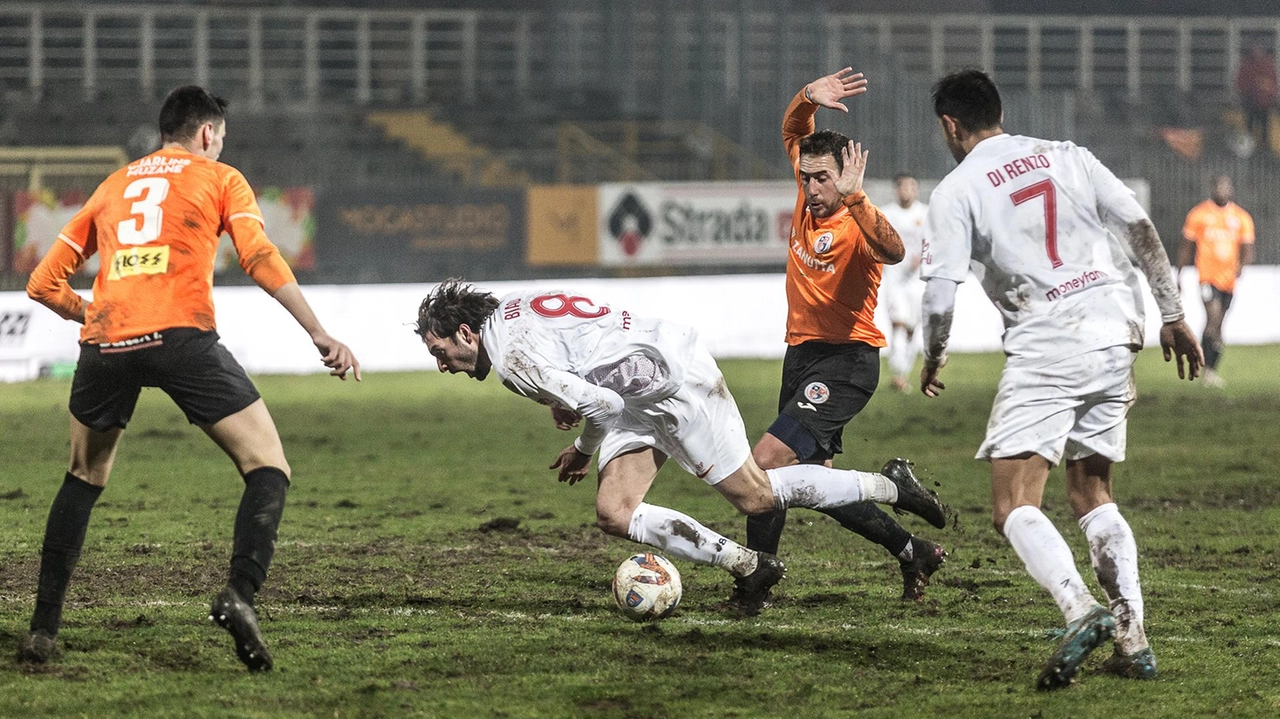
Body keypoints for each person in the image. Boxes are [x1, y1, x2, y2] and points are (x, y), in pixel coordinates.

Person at [20, 85, 361, 672]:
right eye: (220, 137)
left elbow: (43, 284)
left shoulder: (113, 185)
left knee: (82, 477)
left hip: (107, 343)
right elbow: (258, 256)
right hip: (182, 337)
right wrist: (318, 332)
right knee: (268, 466)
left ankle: (42, 632)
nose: (220, 145)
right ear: (207, 133)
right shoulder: (220, 177)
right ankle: (240, 594)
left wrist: (96, 313)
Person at [415, 280, 949, 616]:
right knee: (614, 511)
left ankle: (890, 485)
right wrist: (566, 396)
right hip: (637, 382)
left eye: (441, 352)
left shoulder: (510, 360)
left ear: (465, 332)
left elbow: (598, 405)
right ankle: (750, 566)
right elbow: (577, 350)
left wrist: (581, 446)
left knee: (757, 497)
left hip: (673, 384)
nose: (442, 366)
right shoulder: (509, 309)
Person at [919, 70, 1202, 690]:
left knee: (1011, 504)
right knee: (1092, 493)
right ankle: (1133, 639)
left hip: (1049, 340)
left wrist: (934, 354)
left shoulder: (957, 188)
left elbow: (941, 292)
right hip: (1114, 328)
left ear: (950, 125)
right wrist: (1174, 314)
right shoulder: (1068, 157)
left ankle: (1081, 612)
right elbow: (1140, 230)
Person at [741, 68, 948, 612]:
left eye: (822, 179)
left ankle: (753, 580)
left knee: (764, 465)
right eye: (806, 178)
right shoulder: (809, 186)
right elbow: (793, 130)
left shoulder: (858, 220)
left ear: (845, 176)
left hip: (847, 363)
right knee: (817, 486)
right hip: (802, 356)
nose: (811, 188)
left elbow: (895, 250)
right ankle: (912, 546)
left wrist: (856, 199)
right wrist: (807, 96)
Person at [1177, 174, 1254, 388]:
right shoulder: (1199, 214)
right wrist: (1179, 274)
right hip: (1207, 277)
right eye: (1219, 186)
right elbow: (1186, 247)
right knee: (1213, 316)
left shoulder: (1241, 217)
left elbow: (1248, 249)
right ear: (1212, 189)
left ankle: (1209, 370)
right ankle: (1204, 367)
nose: (1222, 190)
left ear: (1231, 190)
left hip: (1228, 281)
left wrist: (1241, 266)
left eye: (1226, 186)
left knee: (1218, 326)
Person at [879, 173, 929, 393]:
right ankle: (897, 374)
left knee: (912, 328)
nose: (906, 190)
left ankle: (904, 374)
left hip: (918, 281)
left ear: (916, 189)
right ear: (896, 189)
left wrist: (925, 256)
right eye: (902, 186)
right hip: (894, 279)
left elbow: (936, 243)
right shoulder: (886, 214)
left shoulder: (926, 214)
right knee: (898, 324)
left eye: (910, 186)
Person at [1235, 46, 1278, 148]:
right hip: (1250, 100)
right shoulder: (1246, 64)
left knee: (1264, 125)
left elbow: (1273, 82)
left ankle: (1264, 145)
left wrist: (1272, 96)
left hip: (1264, 102)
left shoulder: (1268, 64)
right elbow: (1241, 82)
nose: (1257, 52)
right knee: (1249, 125)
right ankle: (1249, 145)